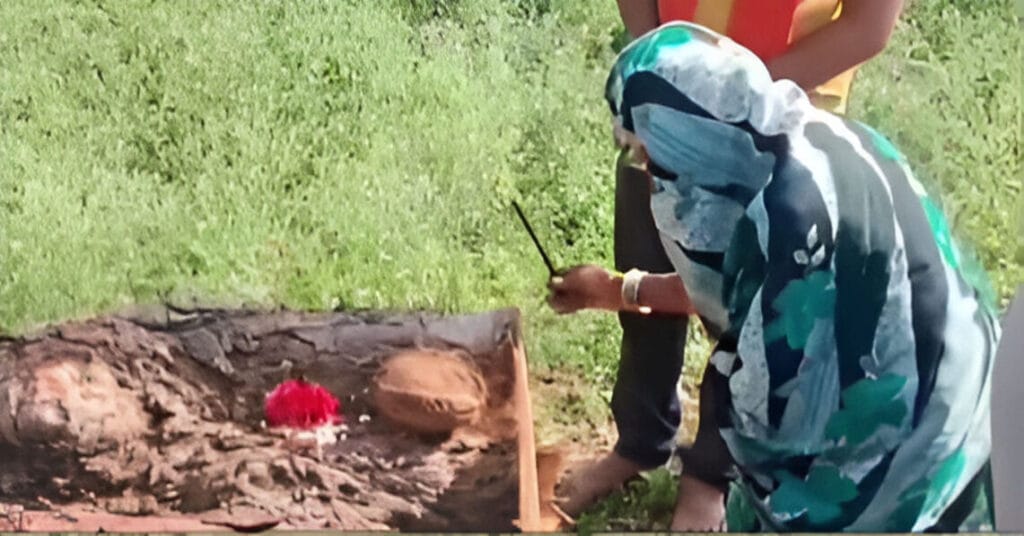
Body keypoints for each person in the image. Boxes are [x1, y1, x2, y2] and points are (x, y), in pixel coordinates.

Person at [550, 22, 999, 531]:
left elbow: (759, 399)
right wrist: (617, 290)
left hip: (912, 436)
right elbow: (743, 291)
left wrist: (710, 484)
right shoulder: (798, 142)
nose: (649, 175)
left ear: (691, 137)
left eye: (645, 152)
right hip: (969, 392)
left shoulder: (788, 219)